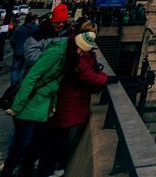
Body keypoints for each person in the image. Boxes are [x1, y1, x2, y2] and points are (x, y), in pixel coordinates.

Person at [38, 31, 108, 176]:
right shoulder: (76, 57)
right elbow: (85, 74)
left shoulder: (74, 52)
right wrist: (104, 79)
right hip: (68, 103)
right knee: (57, 138)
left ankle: (48, 166)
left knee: (56, 137)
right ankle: (47, 169)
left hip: (67, 102)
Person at [3, 37, 68, 177]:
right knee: (24, 143)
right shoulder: (55, 53)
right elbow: (32, 77)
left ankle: (21, 171)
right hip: (30, 103)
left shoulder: (63, 56)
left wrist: (52, 105)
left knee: (32, 143)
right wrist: (17, 106)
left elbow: (54, 84)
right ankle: (9, 170)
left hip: (40, 106)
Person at [11, 14, 39, 84]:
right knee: (25, 70)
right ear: (34, 20)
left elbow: (12, 41)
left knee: (15, 69)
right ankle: (20, 85)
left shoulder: (19, 28)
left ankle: (14, 85)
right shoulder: (37, 29)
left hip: (18, 52)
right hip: (30, 53)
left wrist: (15, 48)